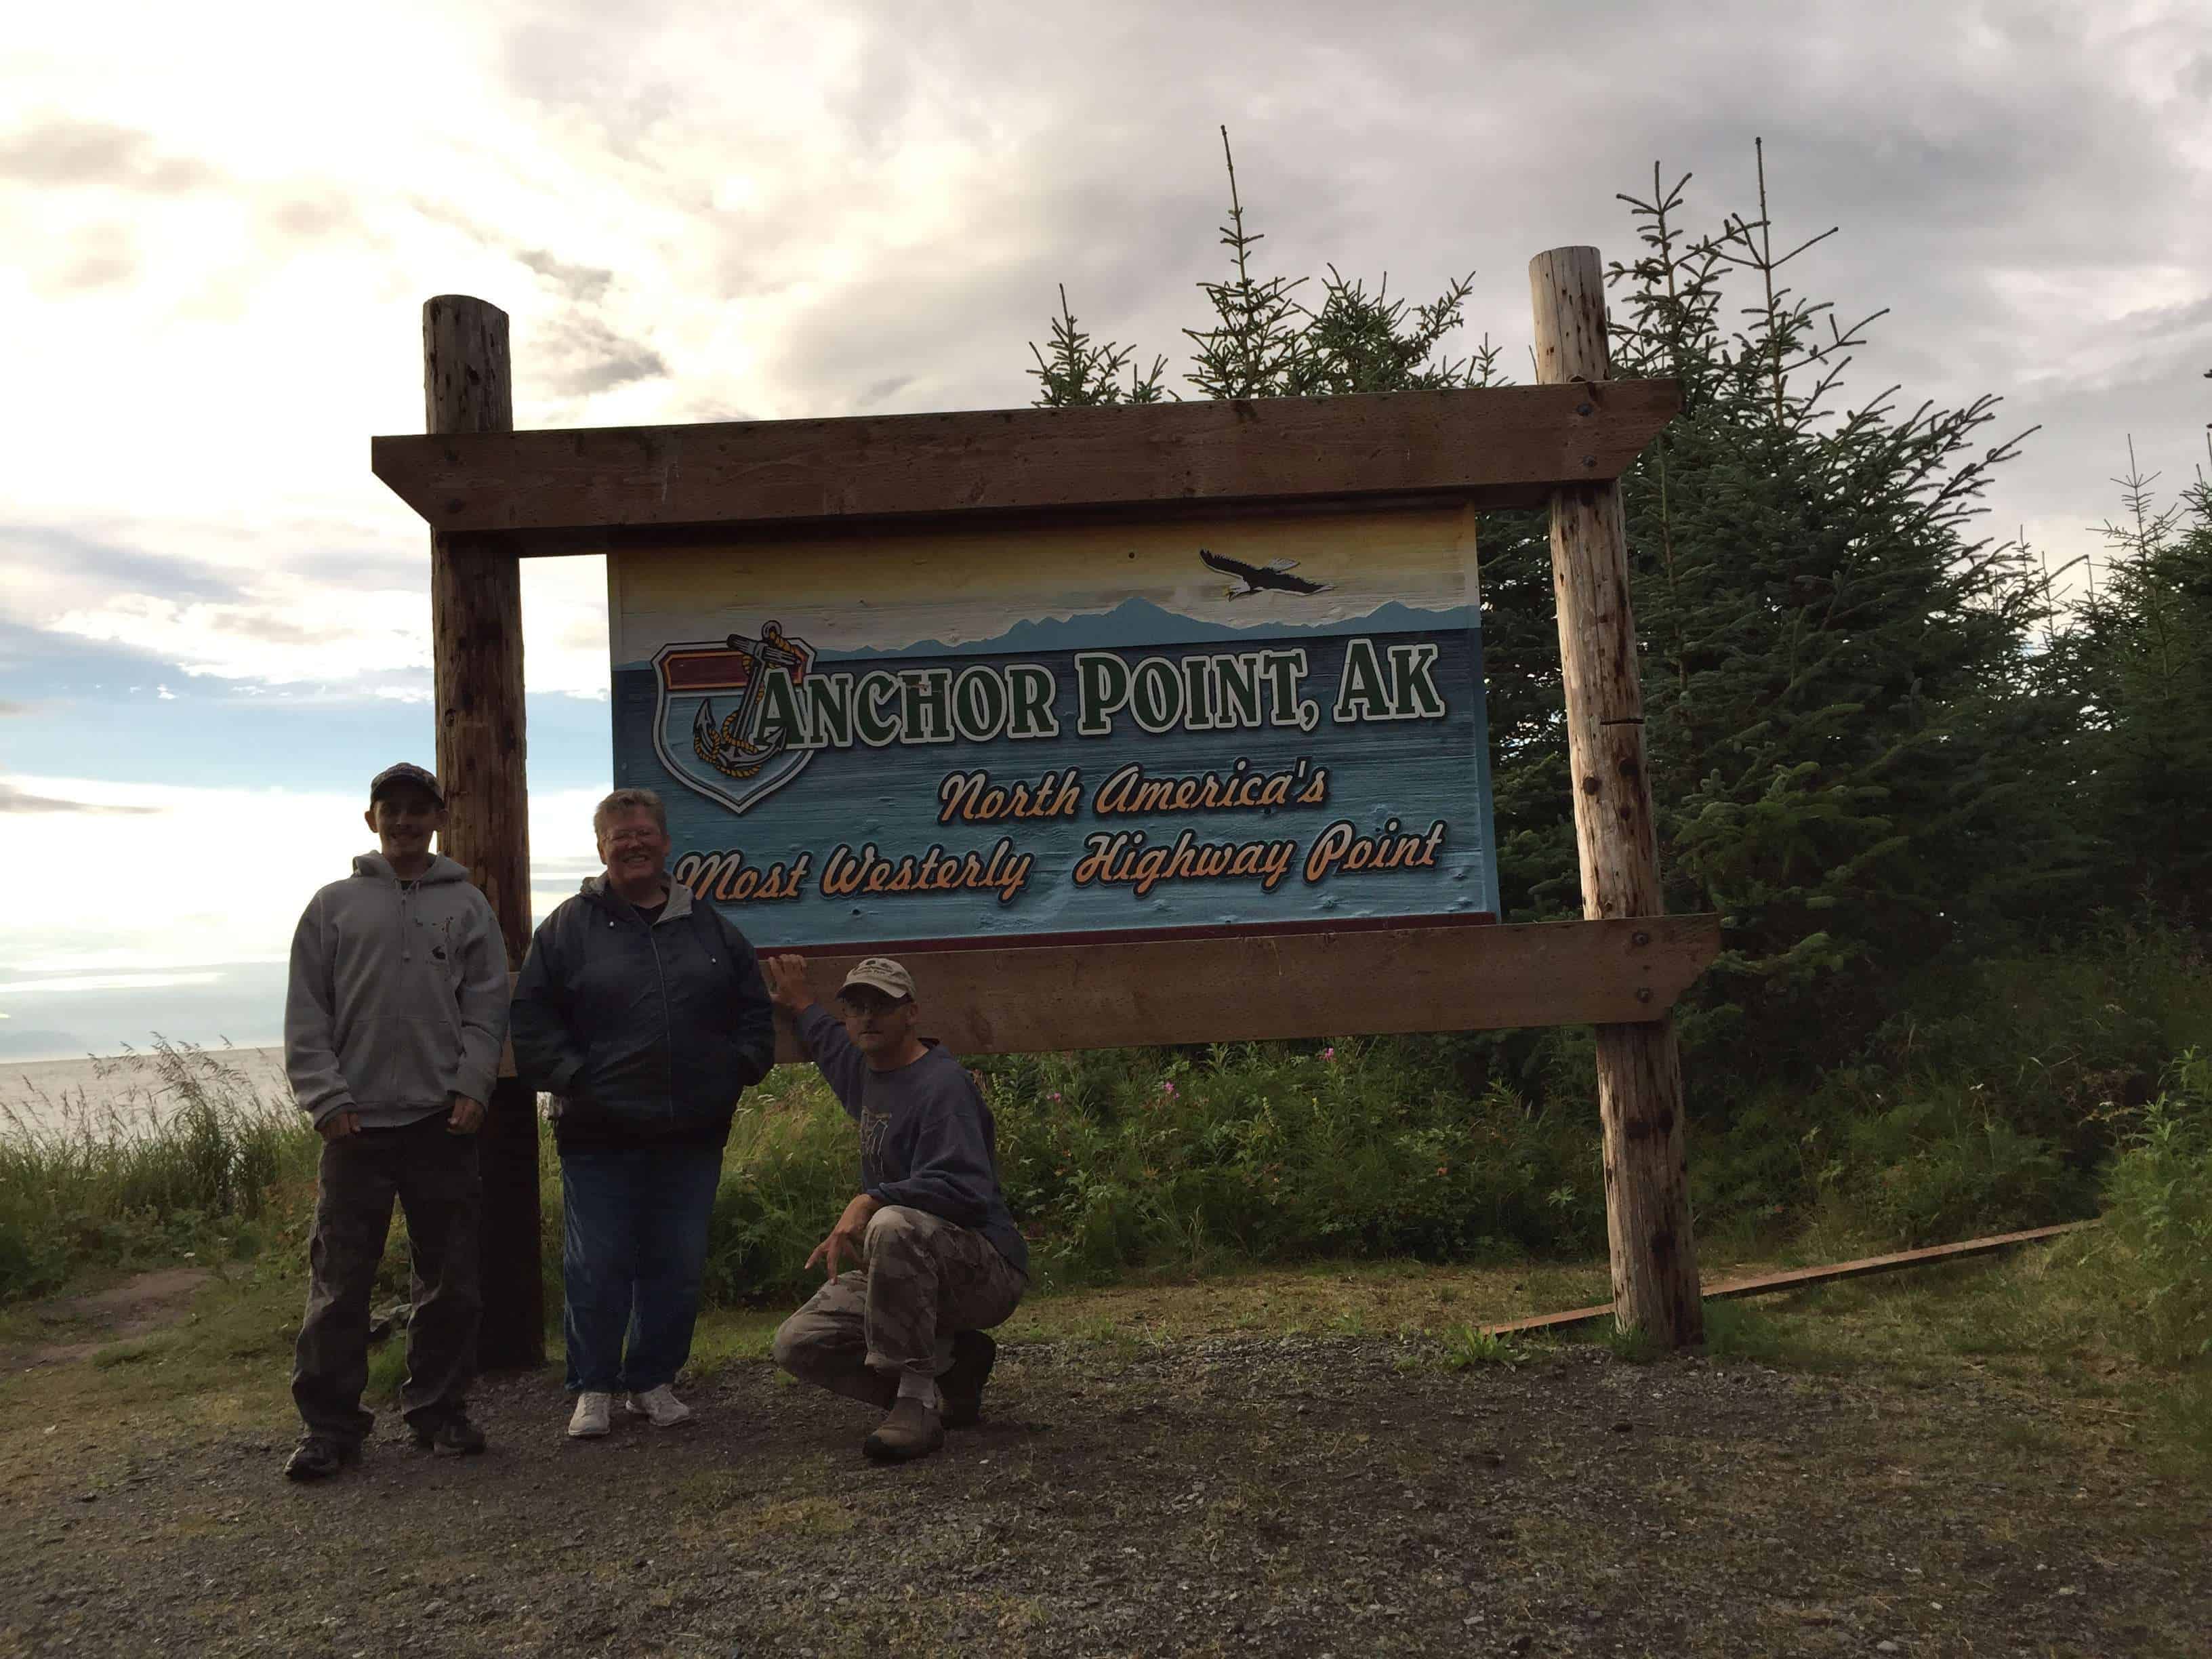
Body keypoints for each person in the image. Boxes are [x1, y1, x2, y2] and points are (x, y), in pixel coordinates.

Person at [510, 787, 777, 1440]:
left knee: (676, 1262)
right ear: (601, 848)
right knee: (596, 1263)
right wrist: (580, 1081)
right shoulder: (567, 928)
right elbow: (532, 1023)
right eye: (618, 835)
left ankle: (653, 1380)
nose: (632, 844)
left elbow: (753, 1014)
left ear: (664, 842)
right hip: (598, 1134)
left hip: (692, 1133)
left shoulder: (710, 927)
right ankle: (594, 1386)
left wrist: (732, 1073)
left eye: (643, 833)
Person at [282, 762, 510, 1481]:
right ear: (371, 819)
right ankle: (330, 1428)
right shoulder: (333, 906)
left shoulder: (467, 906)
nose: (406, 822)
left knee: (450, 1281)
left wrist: (474, 1084)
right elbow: (307, 1013)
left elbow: (487, 1007)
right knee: (339, 1284)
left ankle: (439, 1411)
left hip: (441, 1123)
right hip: (355, 1129)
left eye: (419, 810)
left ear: (437, 818)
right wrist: (327, 1098)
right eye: (393, 810)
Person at [762, 954, 1029, 1464]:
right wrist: (800, 1004)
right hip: (908, 1263)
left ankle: (915, 1404)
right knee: (800, 1342)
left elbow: (967, 1188)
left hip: (985, 1270)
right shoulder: (864, 1071)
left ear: (912, 1013)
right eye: (857, 1006)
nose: (867, 1017)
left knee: (890, 1224)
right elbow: (825, 1039)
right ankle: (954, 1368)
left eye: (882, 1005)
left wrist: (872, 1197)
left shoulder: (942, 1085)